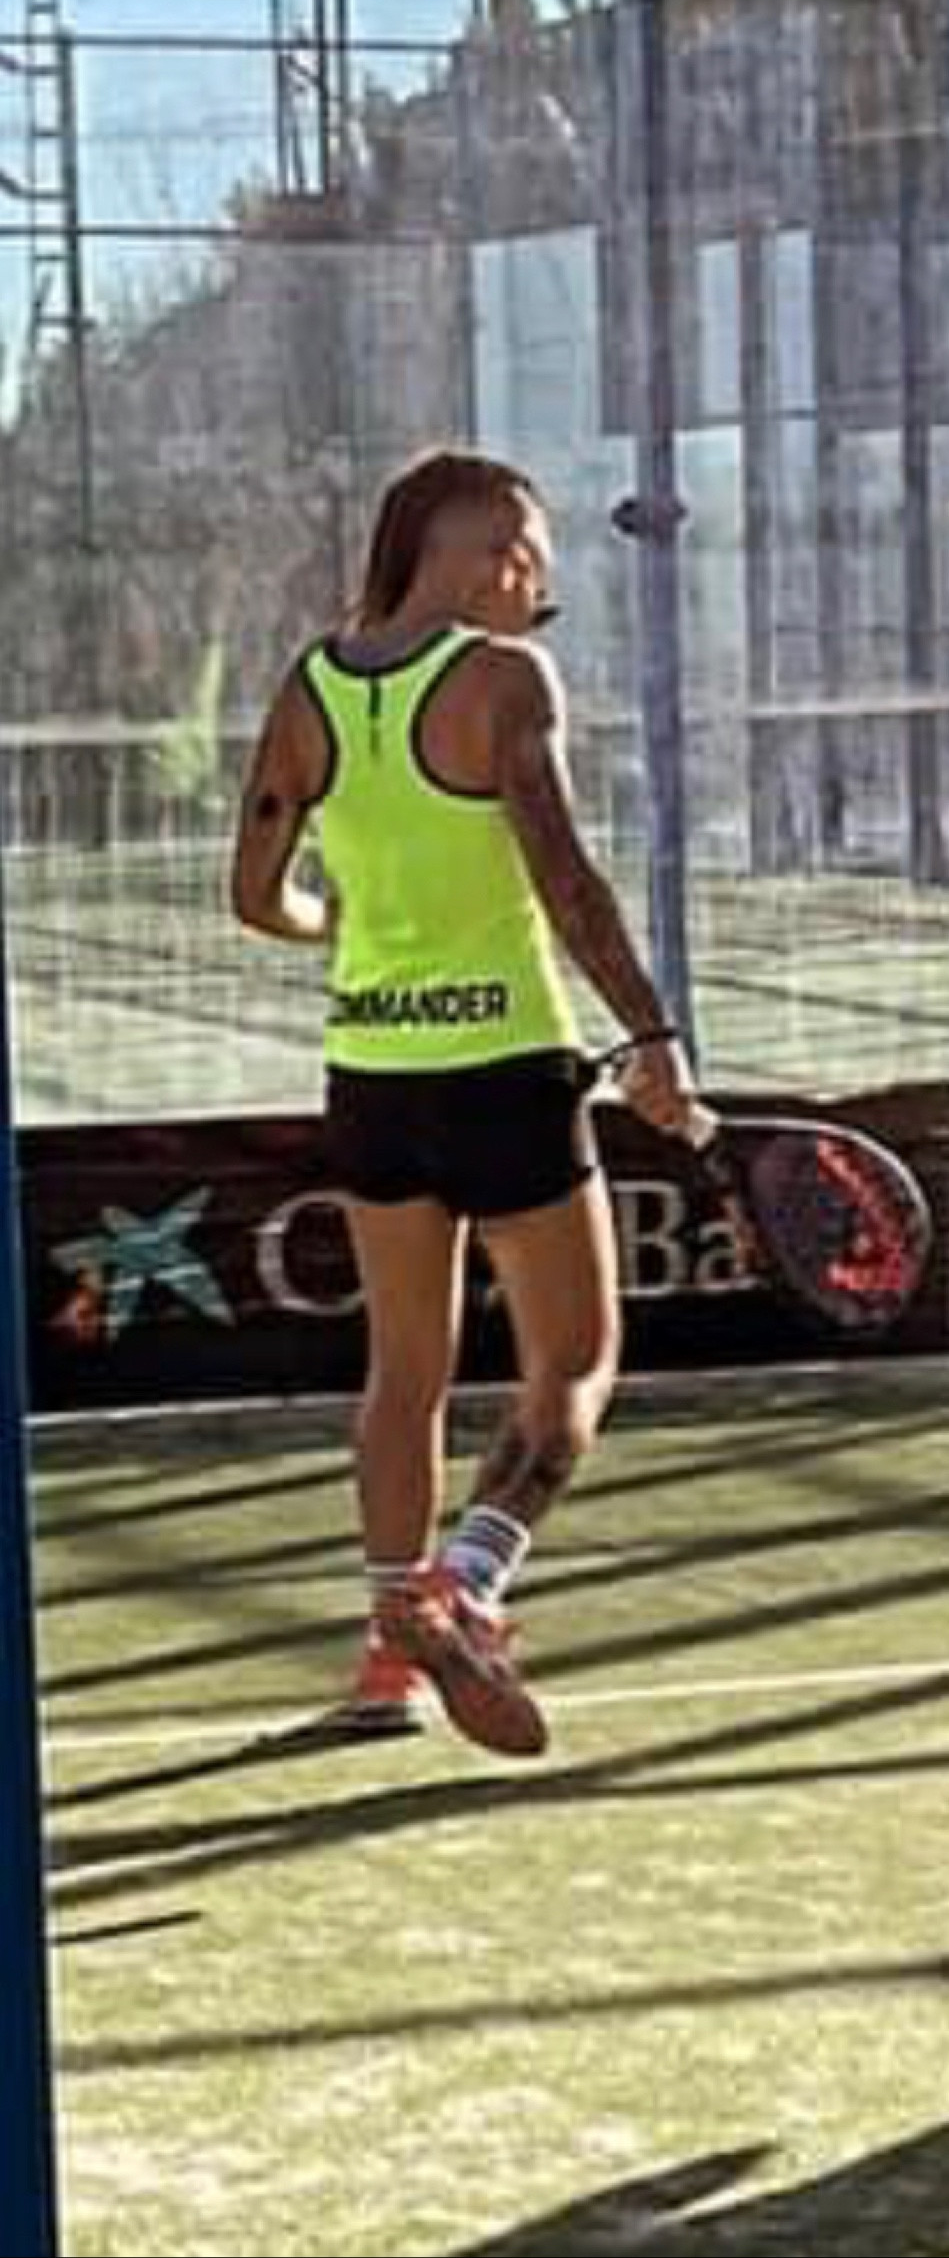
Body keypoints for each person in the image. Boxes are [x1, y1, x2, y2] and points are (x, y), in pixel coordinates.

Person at [231, 448, 701, 1759]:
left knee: (404, 1374)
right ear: (479, 550)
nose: (536, 578)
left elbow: (256, 896)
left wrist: (345, 926)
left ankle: (391, 1651)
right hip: (508, 1072)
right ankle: (469, 1582)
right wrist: (654, 1035)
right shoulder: (505, 680)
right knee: (577, 1361)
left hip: (371, 1080)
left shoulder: (309, 687)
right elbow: (565, 876)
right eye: (527, 551)